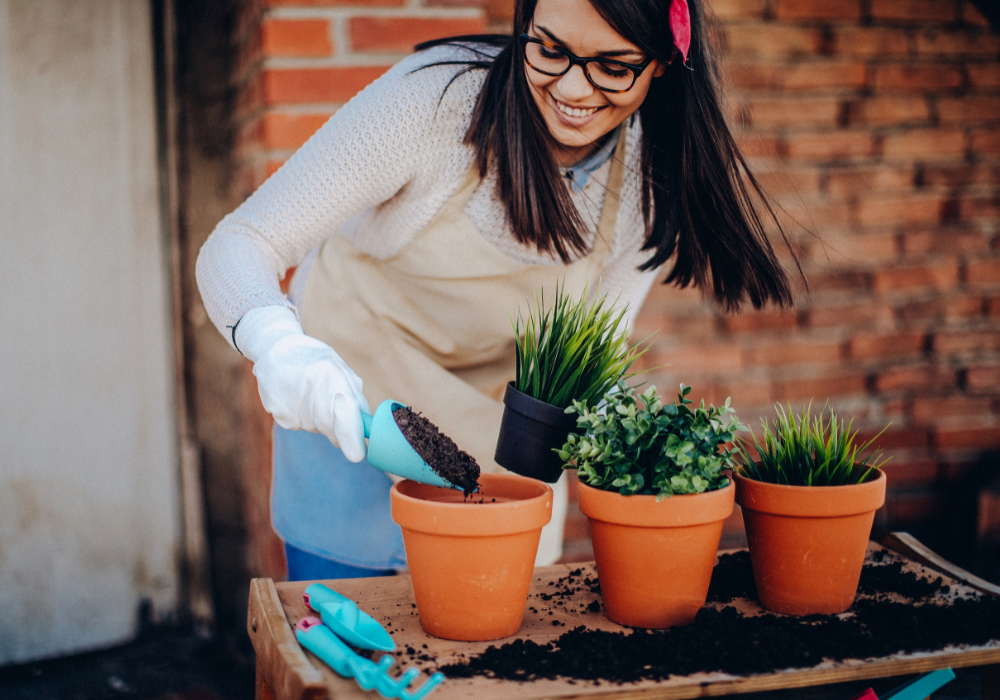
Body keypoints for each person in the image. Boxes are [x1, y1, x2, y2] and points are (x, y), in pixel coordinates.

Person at [196, 0, 796, 581]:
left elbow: (593, 348)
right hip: (346, 394)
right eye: (549, 49)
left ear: (664, 60)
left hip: (495, 428)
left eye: (613, 66)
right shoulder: (433, 104)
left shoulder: (652, 176)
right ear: (524, 22)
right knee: (345, 655)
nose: (574, 90)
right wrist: (279, 346)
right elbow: (241, 242)